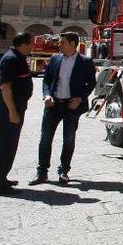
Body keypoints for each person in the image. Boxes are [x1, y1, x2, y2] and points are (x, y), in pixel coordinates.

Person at [29, 32, 97, 185]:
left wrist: (80, 98)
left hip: (71, 106)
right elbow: (46, 80)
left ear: (73, 43)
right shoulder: (55, 59)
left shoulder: (85, 61)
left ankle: (64, 171)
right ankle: (42, 173)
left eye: (62, 42)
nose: (59, 45)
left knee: (68, 140)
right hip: (53, 105)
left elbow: (91, 83)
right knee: (45, 139)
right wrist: (47, 95)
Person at [0, 32, 34, 196]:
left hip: (13, 106)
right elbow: (5, 87)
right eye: (30, 44)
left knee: (9, 145)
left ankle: (1, 178)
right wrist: (12, 111)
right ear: (21, 44)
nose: (32, 46)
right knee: (4, 145)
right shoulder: (11, 59)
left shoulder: (17, 57)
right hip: (8, 108)